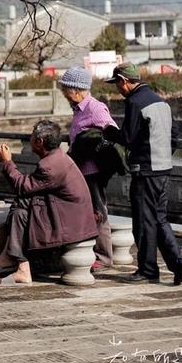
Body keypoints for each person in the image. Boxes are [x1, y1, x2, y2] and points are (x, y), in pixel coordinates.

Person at [104, 63, 182, 285]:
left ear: (124, 81)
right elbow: (174, 136)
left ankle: (148, 270)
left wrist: (108, 131)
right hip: (163, 169)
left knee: (144, 222)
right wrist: (162, 156)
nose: (117, 88)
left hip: (145, 171)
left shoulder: (135, 102)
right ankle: (179, 266)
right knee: (159, 219)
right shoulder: (161, 102)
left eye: (116, 83)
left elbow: (127, 137)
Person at [0, 120, 98, 286]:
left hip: (70, 220)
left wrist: (7, 162)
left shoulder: (49, 165)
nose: (30, 139)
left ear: (40, 141)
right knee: (20, 209)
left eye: (32, 136)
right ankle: (21, 266)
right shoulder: (56, 157)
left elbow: (22, 186)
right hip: (67, 211)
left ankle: (11, 258)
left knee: (20, 204)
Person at [60, 66, 120, 271]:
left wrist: (93, 145)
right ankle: (90, 250)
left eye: (65, 89)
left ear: (76, 89)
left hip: (93, 171)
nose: (63, 93)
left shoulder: (95, 108)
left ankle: (104, 258)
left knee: (98, 211)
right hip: (79, 170)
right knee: (85, 211)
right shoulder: (77, 109)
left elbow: (113, 134)